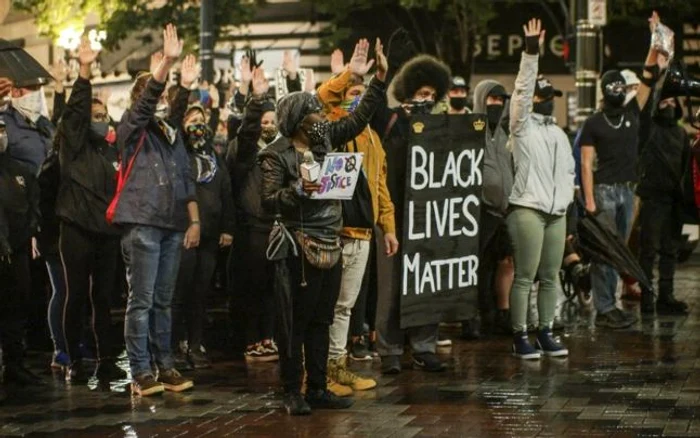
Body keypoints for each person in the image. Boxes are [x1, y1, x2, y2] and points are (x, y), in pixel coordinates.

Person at [259, 38, 387, 416]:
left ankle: (317, 388)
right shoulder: (275, 155)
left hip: (331, 241)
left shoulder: (326, 139)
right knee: (293, 323)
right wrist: (299, 189)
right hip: (297, 247)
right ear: (298, 121)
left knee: (322, 319)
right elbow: (268, 201)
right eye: (314, 114)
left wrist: (378, 79)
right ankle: (290, 390)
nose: (322, 119)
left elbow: (359, 117)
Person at [114, 24, 201, 396]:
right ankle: (140, 371)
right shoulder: (132, 128)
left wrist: (183, 84)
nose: (162, 100)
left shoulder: (168, 135)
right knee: (142, 301)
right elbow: (148, 104)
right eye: (157, 95)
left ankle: (165, 365)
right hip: (142, 223)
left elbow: (175, 112)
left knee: (164, 300)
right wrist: (164, 65)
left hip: (170, 225)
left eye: (165, 95)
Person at [316, 49, 398, 396]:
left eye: (360, 95)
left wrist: (388, 227)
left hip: (362, 232)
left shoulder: (374, 140)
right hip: (332, 230)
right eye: (351, 93)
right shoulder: (330, 125)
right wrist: (348, 74)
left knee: (346, 304)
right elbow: (321, 97)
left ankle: (337, 365)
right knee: (326, 304)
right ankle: (319, 370)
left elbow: (380, 185)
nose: (356, 99)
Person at [580, 11, 663, 329]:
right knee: (606, 251)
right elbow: (586, 164)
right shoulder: (593, 122)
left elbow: (648, 75)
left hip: (628, 190)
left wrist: (655, 37)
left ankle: (608, 302)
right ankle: (604, 308)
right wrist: (589, 200)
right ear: (604, 90)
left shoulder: (631, 110)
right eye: (612, 85)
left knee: (620, 250)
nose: (618, 89)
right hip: (603, 191)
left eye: (620, 85)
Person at [373, 54, 451, 375]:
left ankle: (424, 346)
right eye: (421, 94)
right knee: (390, 285)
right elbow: (371, 109)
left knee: (425, 282)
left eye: (432, 95)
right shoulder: (391, 121)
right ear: (408, 94)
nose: (427, 100)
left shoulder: (442, 128)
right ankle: (390, 348)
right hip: (393, 215)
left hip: (428, 216)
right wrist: (384, 73)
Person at [56, 39, 125, 384]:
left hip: (107, 233)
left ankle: (106, 359)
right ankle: (74, 360)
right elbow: (73, 115)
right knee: (77, 296)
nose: (99, 120)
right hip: (77, 230)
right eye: (92, 117)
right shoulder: (75, 147)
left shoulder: (113, 152)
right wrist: (83, 74)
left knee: (104, 300)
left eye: (103, 116)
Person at [507, 19, 575, 359]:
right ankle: (520, 335)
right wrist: (531, 51)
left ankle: (546, 331)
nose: (549, 101)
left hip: (556, 212)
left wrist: (566, 207)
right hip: (527, 208)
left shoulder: (560, 134)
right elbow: (520, 92)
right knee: (525, 276)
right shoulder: (521, 127)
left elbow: (568, 175)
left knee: (551, 276)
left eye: (552, 97)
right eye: (544, 96)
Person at [171, 103, 235, 369]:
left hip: (210, 236)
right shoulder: (180, 155)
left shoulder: (213, 157)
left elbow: (226, 191)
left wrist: (227, 227)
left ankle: (196, 344)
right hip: (185, 233)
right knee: (179, 292)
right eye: (192, 120)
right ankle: (175, 344)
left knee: (200, 294)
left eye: (202, 119)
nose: (198, 124)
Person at [230, 65, 279, 363]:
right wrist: (256, 99)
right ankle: (252, 339)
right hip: (251, 228)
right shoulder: (244, 149)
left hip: (275, 226)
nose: (268, 125)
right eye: (264, 120)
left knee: (273, 287)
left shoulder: (280, 149)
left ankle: (268, 336)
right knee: (253, 288)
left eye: (273, 121)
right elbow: (247, 133)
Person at [0, 110, 43, 386]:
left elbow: (31, 204)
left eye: (3, 130)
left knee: (16, 307)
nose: (1, 135)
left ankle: (15, 364)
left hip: (17, 250)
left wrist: (31, 232)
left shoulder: (18, 169)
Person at [636, 95, 690, 315]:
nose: (668, 105)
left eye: (672, 102)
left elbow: (686, 167)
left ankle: (665, 297)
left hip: (674, 199)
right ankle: (647, 297)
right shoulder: (649, 129)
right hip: (653, 198)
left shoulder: (681, 133)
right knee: (647, 250)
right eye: (664, 102)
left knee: (670, 249)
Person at [470, 78, 514, 337]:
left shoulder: (503, 132)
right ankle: (478, 316)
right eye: (491, 99)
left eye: (500, 100)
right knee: (480, 266)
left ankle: (502, 314)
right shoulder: (471, 130)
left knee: (506, 262)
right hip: (480, 211)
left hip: (504, 211)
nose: (496, 104)